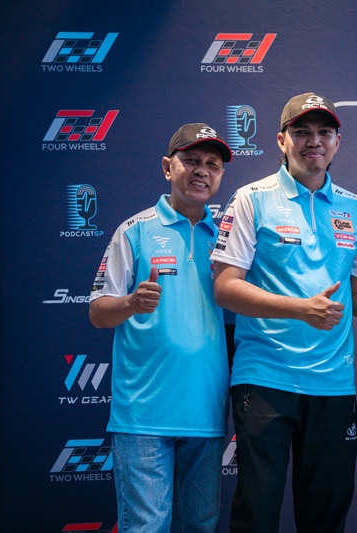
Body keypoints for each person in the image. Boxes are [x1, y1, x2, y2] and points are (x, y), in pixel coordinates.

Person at [211, 92, 357, 532]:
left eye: (324, 132)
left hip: (333, 384)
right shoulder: (251, 199)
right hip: (264, 378)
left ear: (337, 142)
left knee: (325, 518)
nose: (314, 141)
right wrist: (300, 309)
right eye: (302, 132)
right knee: (257, 515)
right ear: (281, 140)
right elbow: (225, 288)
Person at [89, 123, 233, 533]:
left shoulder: (230, 237)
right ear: (168, 167)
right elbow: (98, 312)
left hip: (206, 412)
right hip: (143, 416)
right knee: (146, 527)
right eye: (191, 160)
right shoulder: (133, 231)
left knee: (200, 526)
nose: (202, 170)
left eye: (212, 164)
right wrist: (132, 303)